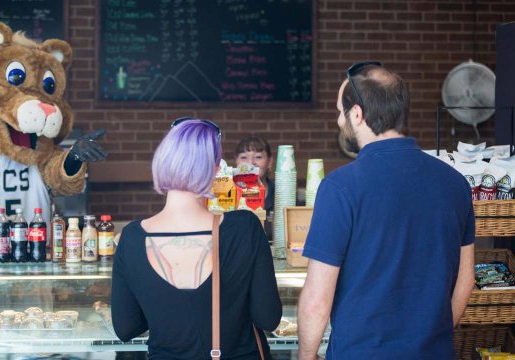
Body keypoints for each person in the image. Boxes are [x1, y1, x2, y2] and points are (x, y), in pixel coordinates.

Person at [296, 62, 475, 359]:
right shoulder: (454, 183)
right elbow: (466, 279)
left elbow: (317, 297)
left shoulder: (340, 187)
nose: (339, 120)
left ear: (357, 114)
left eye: (340, 111)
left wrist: (305, 355)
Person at [112, 118, 282, 359]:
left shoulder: (131, 238)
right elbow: (268, 318)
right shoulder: (245, 227)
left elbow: (126, 328)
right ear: (214, 170)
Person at [235, 136, 274, 240]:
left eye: (258, 157)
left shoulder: (281, 195)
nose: (251, 163)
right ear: (236, 161)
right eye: (244, 157)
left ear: (269, 162)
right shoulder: (225, 196)